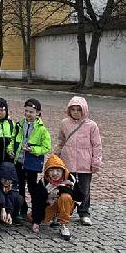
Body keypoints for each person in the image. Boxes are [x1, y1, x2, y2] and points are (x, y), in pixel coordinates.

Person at [54, 96, 102, 226]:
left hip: (84, 162)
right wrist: (56, 155)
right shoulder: (65, 123)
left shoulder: (91, 125)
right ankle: (65, 210)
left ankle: (84, 212)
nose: (76, 112)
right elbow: (61, 140)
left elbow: (96, 145)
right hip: (67, 160)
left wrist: (96, 161)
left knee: (84, 189)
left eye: (78, 110)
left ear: (84, 110)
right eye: (73, 109)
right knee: (66, 187)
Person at [8, 98, 51, 219]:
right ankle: (21, 209)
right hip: (19, 161)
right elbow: (13, 139)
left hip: (32, 163)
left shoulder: (42, 129)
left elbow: (46, 147)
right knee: (19, 187)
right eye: (26, 111)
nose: (28, 114)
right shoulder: (19, 124)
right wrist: (10, 149)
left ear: (38, 113)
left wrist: (33, 150)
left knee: (33, 188)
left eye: (31, 112)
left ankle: (35, 212)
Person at [29, 154, 85, 240]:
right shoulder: (43, 182)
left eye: (58, 170)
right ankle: (53, 218)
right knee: (30, 217)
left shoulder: (70, 179)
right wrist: (36, 221)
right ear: (47, 172)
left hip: (66, 205)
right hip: (50, 205)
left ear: (63, 170)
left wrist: (61, 189)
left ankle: (63, 224)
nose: (55, 173)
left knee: (65, 197)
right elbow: (37, 201)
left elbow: (79, 197)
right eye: (51, 170)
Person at [0, 98, 15, 173]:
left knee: (7, 177)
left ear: (6, 111)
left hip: (9, 158)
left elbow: (15, 139)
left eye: (2, 110)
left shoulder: (11, 124)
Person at [0, 161, 22, 226]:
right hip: (0, 207)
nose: (6, 182)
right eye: (4, 179)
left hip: (9, 206)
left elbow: (12, 196)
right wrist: (3, 209)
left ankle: (12, 216)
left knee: (19, 198)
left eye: (9, 180)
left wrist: (9, 212)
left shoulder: (14, 182)